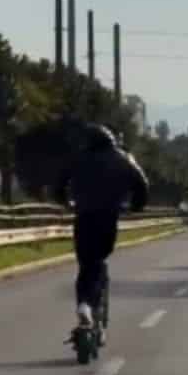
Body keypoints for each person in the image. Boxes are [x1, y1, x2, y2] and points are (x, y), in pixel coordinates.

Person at [56, 124, 149, 340]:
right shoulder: (122, 158)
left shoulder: (79, 158)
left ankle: (84, 305)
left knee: (85, 265)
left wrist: (66, 201)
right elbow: (142, 184)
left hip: (83, 217)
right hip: (108, 217)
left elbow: (59, 183)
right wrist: (136, 206)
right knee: (98, 260)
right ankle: (90, 306)